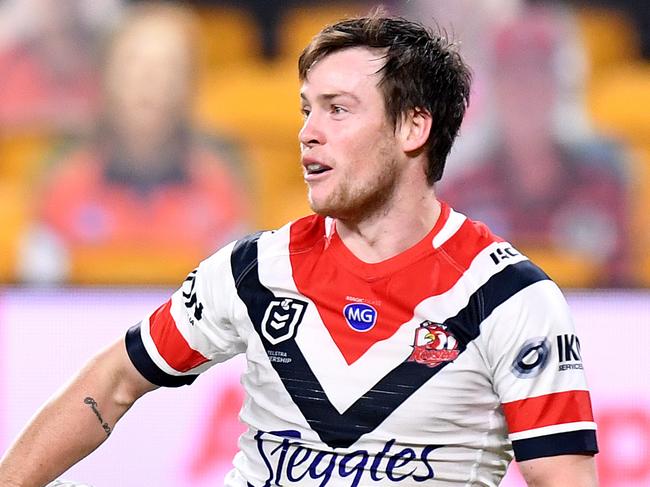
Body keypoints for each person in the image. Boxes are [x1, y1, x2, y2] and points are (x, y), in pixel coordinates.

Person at [0, 12, 599, 487]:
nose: (308, 131)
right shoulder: (252, 271)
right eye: (306, 109)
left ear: (414, 128)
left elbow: (563, 479)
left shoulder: (511, 299)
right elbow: (111, 382)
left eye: (338, 110)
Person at [17, 2, 250, 284]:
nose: (149, 81)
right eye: (134, 63)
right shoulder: (62, 176)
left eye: (168, 67)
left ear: (190, 83)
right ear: (105, 74)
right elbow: (37, 300)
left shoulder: (222, 179)